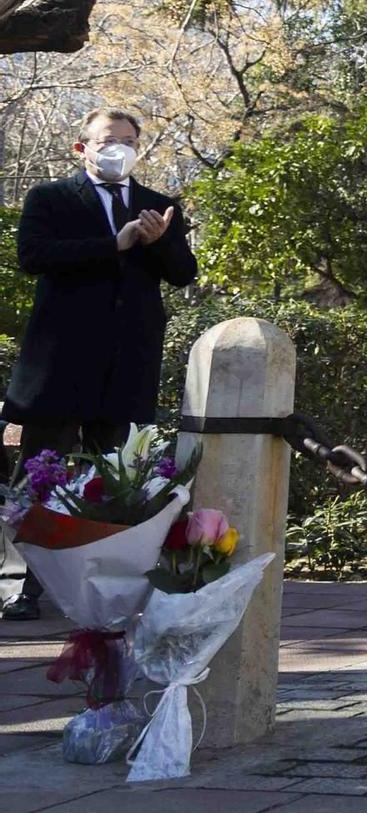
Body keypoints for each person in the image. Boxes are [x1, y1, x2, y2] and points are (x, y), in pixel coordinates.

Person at [3, 108, 197, 621]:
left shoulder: (159, 205)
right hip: (60, 362)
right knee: (41, 475)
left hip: (126, 364)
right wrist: (114, 244)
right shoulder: (51, 198)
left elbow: (183, 274)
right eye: (109, 140)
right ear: (81, 147)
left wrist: (157, 244)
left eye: (130, 140)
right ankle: (25, 586)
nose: (120, 149)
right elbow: (34, 255)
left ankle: (111, 585)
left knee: (118, 480)